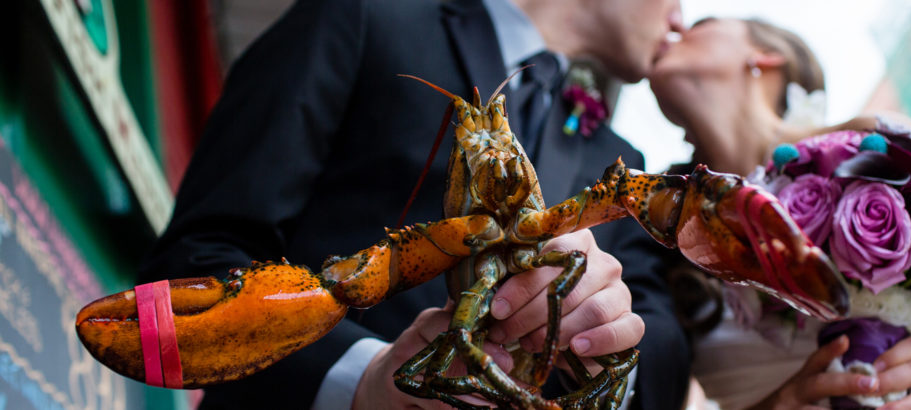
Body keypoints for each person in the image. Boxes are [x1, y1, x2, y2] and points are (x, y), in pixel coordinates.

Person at [139, 0, 690, 409]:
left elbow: (662, 340)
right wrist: (363, 378)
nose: (679, 21)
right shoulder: (364, 15)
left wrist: (605, 336)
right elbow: (200, 254)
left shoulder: (619, 157)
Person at [649, 17, 911, 410]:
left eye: (699, 24)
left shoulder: (875, 145)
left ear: (766, 57)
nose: (674, 25)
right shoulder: (663, 250)